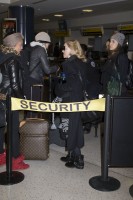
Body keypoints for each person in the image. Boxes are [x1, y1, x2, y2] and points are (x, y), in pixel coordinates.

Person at [55, 40, 93, 169]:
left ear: (71, 50)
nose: (62, 50)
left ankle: (78, 158)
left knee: (70, 127)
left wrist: (58, 88)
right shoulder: (81, 62)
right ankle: (72, 154)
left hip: (69, 100)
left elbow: (68, 85)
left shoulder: (68, 64)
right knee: (74, 127)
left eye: (64, 48)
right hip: (78, 100)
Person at [0, 33, 29, 170]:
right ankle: (15, 159)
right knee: (13, 128)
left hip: (2, 96)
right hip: (11, 98)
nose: (21, 47)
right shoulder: (13, 60)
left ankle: (1, 155)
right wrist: (22, 99)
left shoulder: (2, 57)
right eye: (20, 44)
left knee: (1, 127)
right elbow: (15, 84)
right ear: (15, 45)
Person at [24, 32, 59, 117]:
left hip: (28, 81)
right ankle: (33, 129)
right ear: (45, 42)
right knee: (34, 109)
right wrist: (57, 67)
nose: (48, 46)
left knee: (30, 109)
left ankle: (28, 128)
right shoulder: (40, 49)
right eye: (48, 43)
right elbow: (47, 70)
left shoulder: (31, 48)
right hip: (35, 82)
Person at [101, 32, 129, 96]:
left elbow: (122, 77)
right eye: (110, 41)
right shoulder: (112, 56)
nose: (110, 43)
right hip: (108, 88)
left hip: (115, 91)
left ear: (119, 44)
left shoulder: (121, 57)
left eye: (113, 42)